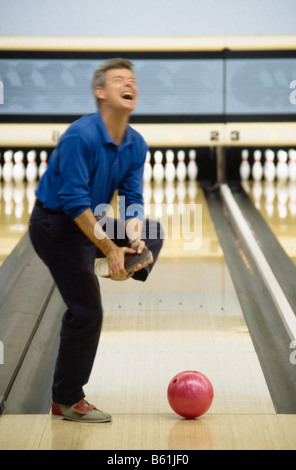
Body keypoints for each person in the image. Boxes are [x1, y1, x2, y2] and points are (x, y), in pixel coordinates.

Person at [29, 58, 163, 423]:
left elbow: (132, 198)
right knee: (87, 313)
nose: (129, 84)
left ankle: (109, 267)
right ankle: (66, 400)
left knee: (152, 234)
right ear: (100, 92)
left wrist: (132, 240)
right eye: (119, 79)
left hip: (93, 222)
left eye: (133, 80)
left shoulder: (136, 143)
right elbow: (74, 203)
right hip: (56, 226)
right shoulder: (80, 136)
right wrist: (108, 246)